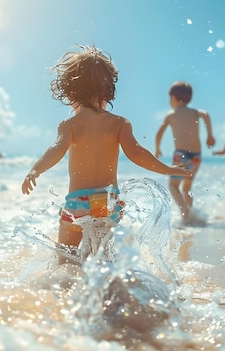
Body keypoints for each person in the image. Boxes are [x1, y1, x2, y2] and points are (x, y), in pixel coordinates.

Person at [21, 45, 192, 264]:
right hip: (108, 203)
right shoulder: (119, 123)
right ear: (109, 91)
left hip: (77, 203)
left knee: (65, 258)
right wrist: (166, 169)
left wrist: (35, 170)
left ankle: (65, 289)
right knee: (103, 261)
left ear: (70, 92)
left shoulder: (69, 125)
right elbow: (137, 153)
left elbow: (56, 149)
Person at [155, 81, 215, 226]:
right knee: (187, 187)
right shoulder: (195, 113)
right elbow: (206, 114)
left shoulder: (171, 115)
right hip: (196, 156)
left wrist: (157, 148)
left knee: (173, 186)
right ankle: (189, 216)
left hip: (181, 155)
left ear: (173, 98)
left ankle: (185, 212)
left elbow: (159, 133)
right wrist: (210, 135)